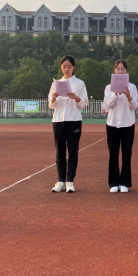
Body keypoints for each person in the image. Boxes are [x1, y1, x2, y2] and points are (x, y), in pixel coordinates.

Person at [48, 55, 89, 193]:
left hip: (74, 120)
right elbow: (51, 105)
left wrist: (76, 98)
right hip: (58, 120)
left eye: (69, 67)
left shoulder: (80, 83)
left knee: (73, 151)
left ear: (74, 67)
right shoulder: (56, 83)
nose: (66, 69)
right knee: (60, 152)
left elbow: (83, 104)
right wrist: (53, 98)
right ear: (61, 67)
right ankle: (61, 181)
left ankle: (70, 181)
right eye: (64, 67)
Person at [103, 59, 138, 193]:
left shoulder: (132, 87)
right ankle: (113, 182)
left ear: (126, 71)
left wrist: (129, 97)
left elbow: (134, 107)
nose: (120, 71)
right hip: (112, 124)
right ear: (114, 71)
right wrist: (115, 94)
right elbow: (108, 105)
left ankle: (124, 182)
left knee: (126, 154)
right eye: (118, 68)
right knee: (113, 154)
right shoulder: (109, 87)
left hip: (127, 123)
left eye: (123, 69)